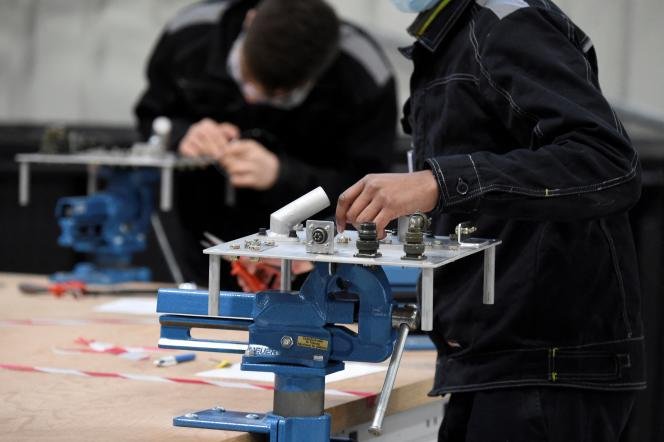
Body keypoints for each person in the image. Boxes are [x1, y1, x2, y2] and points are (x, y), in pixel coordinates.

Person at [336, 1, 644, 441]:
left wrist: (440, 182)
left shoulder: (505, 24)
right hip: (491, 360)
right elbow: (481, 204)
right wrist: (332, 258)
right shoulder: (446, 40)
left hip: (546, 367)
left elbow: (607, 161)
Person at [134, 0, 397, 285]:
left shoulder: (363, 76)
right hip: (197, 236)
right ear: (249, 20)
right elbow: (151, 117)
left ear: (321, 72)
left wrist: (281, 174)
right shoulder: (190, 34)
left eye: (280, 98)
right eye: (245, 79)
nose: (251, 99)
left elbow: (369, 189)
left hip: (305, 258)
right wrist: (182, 134)